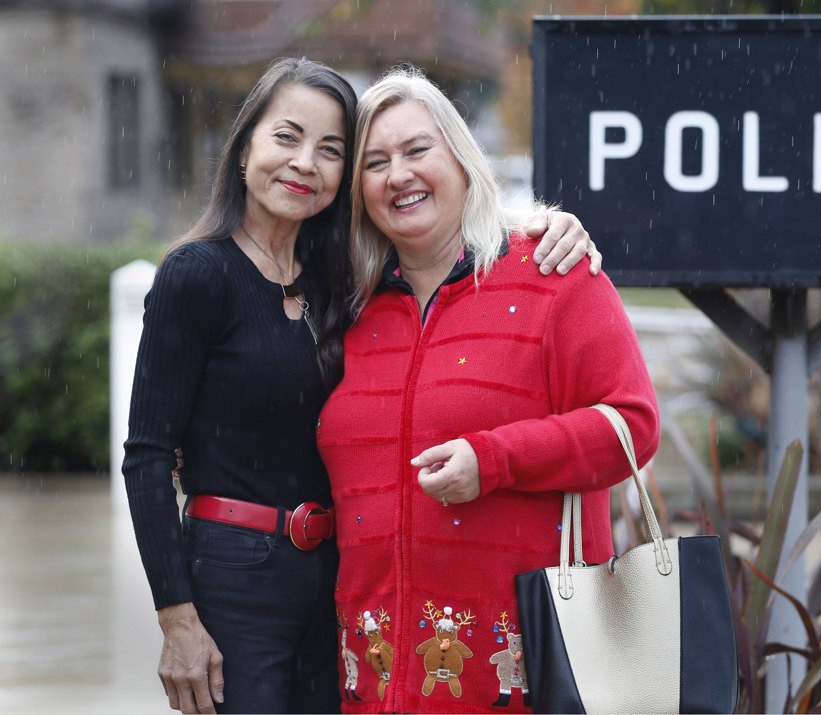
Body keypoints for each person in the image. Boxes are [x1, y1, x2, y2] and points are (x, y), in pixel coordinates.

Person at [121, 57, 600, 715]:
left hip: (334, 581)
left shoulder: (344, 282)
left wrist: (550, 223)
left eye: (330, 150)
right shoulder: (195, 275)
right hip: (233, 574)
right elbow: (147, 456)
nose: (305, 163)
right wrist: (176, 621)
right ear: (244, 149)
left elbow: (450, 235)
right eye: (286, 137)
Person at [316, 64, 660, 714]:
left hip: (528, 682)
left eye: (418, 150)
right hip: (373, 684)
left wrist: (495, 460)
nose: (399, 174)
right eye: (376, 161)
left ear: (463, 157)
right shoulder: (352, 311)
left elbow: (632, 425)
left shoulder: (552, 274)